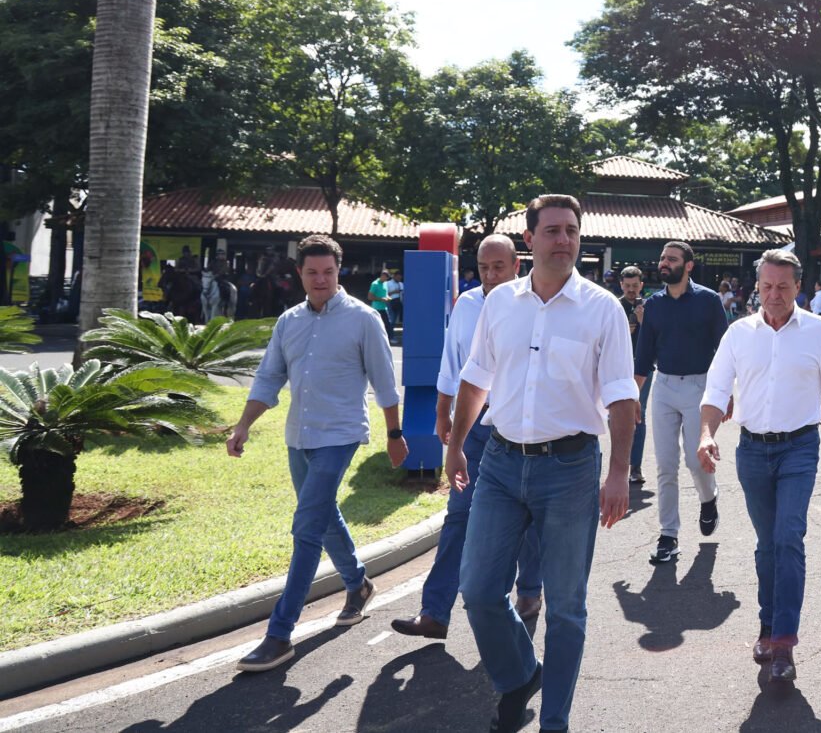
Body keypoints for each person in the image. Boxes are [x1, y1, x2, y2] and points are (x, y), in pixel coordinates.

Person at [446, 195, 636, 733]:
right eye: (552, 230)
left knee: (567, 607)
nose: (564, 240)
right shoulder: (500, 304)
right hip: (501, 464)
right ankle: (520, 675)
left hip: (570, 469)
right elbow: (475, 379)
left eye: (571, 230)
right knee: (478, 590)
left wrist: (618, 473)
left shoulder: (603, 308)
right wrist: (455, 444)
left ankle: (555, 721)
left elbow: (622, 397)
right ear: (529, 240)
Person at [228, 234, 405, 673]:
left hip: (339, 436)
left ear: (338, 271)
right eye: (312, 272)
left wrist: (395, 434)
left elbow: (385, 383)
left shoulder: (364, 319)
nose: (321, 279)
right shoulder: (288, 321)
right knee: (323, 518)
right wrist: (243, 425)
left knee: (307, 527)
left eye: (328, 272)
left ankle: (279, 634)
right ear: (300, 274)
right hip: (298, 437)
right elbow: (268, 378)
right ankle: (358, 583)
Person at [697, 249, 821, 682]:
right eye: (766, 286)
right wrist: (707, 434)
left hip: (799, 449)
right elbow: (715, 391)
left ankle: (784, 641)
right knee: (767, 544)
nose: (774, 294)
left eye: (783, 287)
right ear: (757, 287)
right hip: (752, 451)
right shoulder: (738, 334)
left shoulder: (819, 332)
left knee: (788, 538)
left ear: (798, 288)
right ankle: (767, 625)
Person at [391, 235, 543, 641]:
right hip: (473, 426)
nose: (490, 275)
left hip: (517, 427)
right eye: (484, 267)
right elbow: (452, 362)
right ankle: (434, 611)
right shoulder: (467, 304)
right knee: (459, 515)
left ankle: (529, 590)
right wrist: (443, 412)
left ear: (516, 265)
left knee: (527, 516)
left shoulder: (534, 305)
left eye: (499, 267)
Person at [635, 241, 729, 565]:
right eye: (662, 258)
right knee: (665, 464)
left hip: (699, 387)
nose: (664, 263)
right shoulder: (654, 304)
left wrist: (727, 394)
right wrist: (634, 397)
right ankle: (668, 535)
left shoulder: (709, 300)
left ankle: (709, 498)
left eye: (672, 259)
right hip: (663, 386)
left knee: (694, 459)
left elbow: (726, 352)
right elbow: (643, 355)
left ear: (688, 265)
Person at [619, 266, 651, 485]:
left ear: (641, 285)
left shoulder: (649, 307)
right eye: (627, 286)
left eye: (635, 286)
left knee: (639, 415)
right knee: (617, 415)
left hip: (643, 366)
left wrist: (643, 323)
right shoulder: (613, 306)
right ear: (621, 285)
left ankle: (635, 466)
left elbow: (657, 338)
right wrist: (624, 330)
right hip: (619, 367)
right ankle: (619, 464)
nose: (631, 290)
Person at [368, 267, 392, 342]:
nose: (385, 279)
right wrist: (381, 299)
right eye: (384, 277)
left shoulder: (385, 283)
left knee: (387, 325)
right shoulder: (374, 284)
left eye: (387, 278)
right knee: (376, 326)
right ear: (382, 276)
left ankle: (388, 340)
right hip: (376, 308)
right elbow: (370, 297)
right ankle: (374, 340)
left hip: (384, 308)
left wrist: (388, 297)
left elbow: (385, 294)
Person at [384, 268, 405, 336]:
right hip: (390, 302)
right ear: (394, 276)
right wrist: (394, 292)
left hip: (398, 302)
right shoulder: (388, 283)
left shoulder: (401, 284)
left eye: (400, 278)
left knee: (394, 321)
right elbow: (384, 294)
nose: (399, 279)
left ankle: (391, 335)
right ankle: (389, 335)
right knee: (391, 320)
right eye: (398, 277)